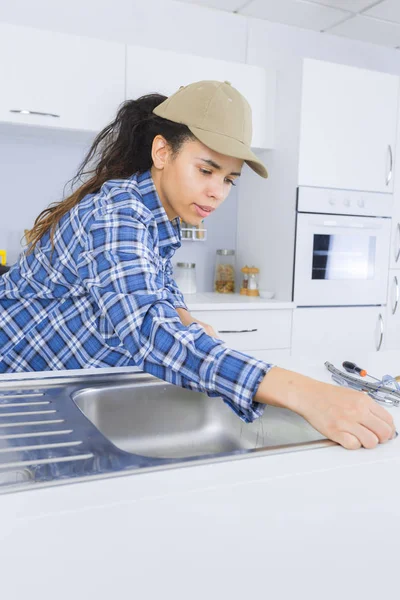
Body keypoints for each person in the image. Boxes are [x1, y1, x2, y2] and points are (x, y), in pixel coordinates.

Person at [0, 80, 395, 450]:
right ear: (162, 153)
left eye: (229, 179)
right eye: (206, 170)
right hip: (17, 395)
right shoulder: (116, 214)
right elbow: (147, 331)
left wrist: (186, 319)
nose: (216, 192)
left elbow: (156, 291)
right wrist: (309, 393)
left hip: (53, 388)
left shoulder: (159, 220)